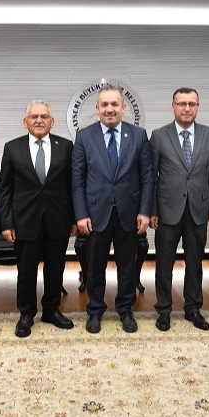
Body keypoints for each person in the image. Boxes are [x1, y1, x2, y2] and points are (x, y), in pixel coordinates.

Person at [72, 85, 155, 333]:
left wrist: (145, 211)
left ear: (123, 107)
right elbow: (77, 179)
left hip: (129, 213)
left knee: (127, 266)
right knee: (95, 266)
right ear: (97, 108)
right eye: (105, 105)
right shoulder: (84, 137)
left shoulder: (138, 135)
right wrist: (81, 214)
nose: (110, 109)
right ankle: (95, 310)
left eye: (114, 104)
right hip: (95, 214)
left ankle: (125, 309)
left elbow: (147, 177)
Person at [0, 100, 77, 337]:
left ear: (52, 122)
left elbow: (72, 186)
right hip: (24, 220)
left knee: (55, 268)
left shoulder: (66, 146)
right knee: (26, 271)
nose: (39, 120)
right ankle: (26, 314)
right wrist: (7, 222)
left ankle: (51, 310)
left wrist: (74, 218)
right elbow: (6, 189)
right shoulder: (12, 148)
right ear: (25, 122)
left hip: (58, 219)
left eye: (44, 116)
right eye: (34, 117)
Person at [150, 88, 209, 332]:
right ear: (173, 106)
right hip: (166, 210)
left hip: (198, 210)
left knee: (195, 263)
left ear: (198, 106)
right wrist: (152, 210)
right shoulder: (159, 136)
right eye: (182, 103)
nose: (187, 108)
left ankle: (193, 308)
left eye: (192, 103)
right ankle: (164, 310)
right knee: (164, 264)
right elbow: (151, 177)